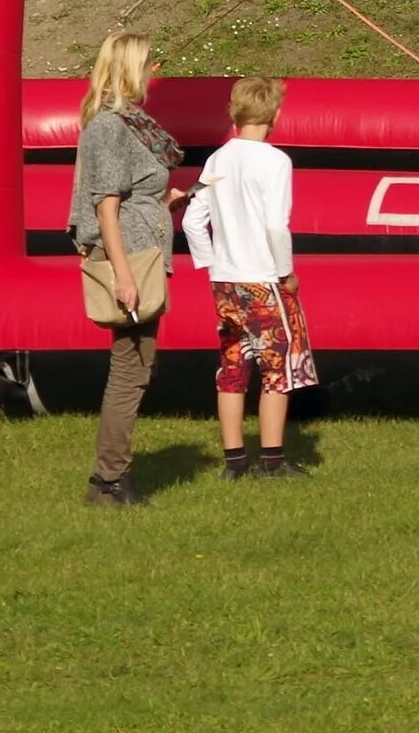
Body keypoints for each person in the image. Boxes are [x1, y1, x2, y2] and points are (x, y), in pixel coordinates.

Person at [67, 30, 187, 507]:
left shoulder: (129, 124)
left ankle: (111, 477)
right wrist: (122, 274)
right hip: (130, 262)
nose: (155, 73)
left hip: (142, 257)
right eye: (149, 64)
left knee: (138, 366)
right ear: (130, 68)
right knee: (130, 370)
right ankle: (109, 480)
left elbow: (130, 199)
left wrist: (167, 203)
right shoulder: (111, 127)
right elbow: (106, 209)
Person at [180, 74, 317, 480]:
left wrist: (211, 261)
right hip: (263, 276)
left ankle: (234, 460)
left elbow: (191, 219)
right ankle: (272, 460)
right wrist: (285, 271)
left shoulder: (217, 160)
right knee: (277, 368)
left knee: (233, 364)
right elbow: (277, 225)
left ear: (233, 113)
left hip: (226, 280)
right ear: (274, 114)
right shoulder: (275, 161)